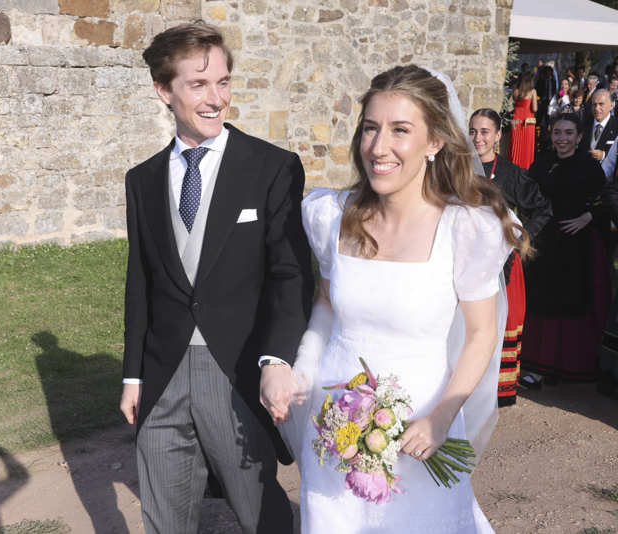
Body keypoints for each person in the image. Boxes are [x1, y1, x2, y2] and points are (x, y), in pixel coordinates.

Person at [277, 65, 529, 533]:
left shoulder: (465, 228)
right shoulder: (333, 216)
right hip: (335, 430)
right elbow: (327, 307)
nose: (378, 146)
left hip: (423, 428)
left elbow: (480, 334)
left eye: (400, 130)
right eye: (371, 128)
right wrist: (304, 372)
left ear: (434, 142)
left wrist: (441, 416)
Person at [120, 22, 313, 534]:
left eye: (223, 82)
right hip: (161, 378)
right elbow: (140, 279)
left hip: (234, 371)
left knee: (260, 516)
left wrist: (276, 359)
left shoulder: (271, 168)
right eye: (199, 84)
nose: (216, 99)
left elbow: (290, 273)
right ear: (164, 91)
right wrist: (133, 375)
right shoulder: (140, 181)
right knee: (163, 519)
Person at [469, 108, 552, 401]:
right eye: (473, 131)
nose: (478, 138)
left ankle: (490, 388)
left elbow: (543, 208)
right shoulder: (458, 169)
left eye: (485, 132)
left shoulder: (511, 174)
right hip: (462, 262)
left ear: (498, 135)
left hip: (498, 267)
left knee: (489, 326)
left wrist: (519, 237)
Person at [521, 114, 610, 384]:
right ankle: (536, 366)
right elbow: (527, 197)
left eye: (569, 133)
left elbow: (605, 200)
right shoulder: (542, 164)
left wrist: (588, 217)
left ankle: (563, 365)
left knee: (568, 302)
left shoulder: (589, 166)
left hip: (574, 246)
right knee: (541, 300)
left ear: (579, 136)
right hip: (543, 243)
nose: (562, 138)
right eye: (557, 132)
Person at [579, 89, 618, 163]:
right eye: (594, 104)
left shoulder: (616, 126)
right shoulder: (584, 125)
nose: (597, 108)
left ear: (611, 105)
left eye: (601, 104)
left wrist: (604, 155)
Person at [509, 72, 538, 170]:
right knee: (527, 146)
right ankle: (526, 167)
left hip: (516, 119)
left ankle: (514, 166)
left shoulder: (515, 90)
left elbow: (510, 106)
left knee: (516, 145)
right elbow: (534, 108)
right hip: (527, 121)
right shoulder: (533, 91)